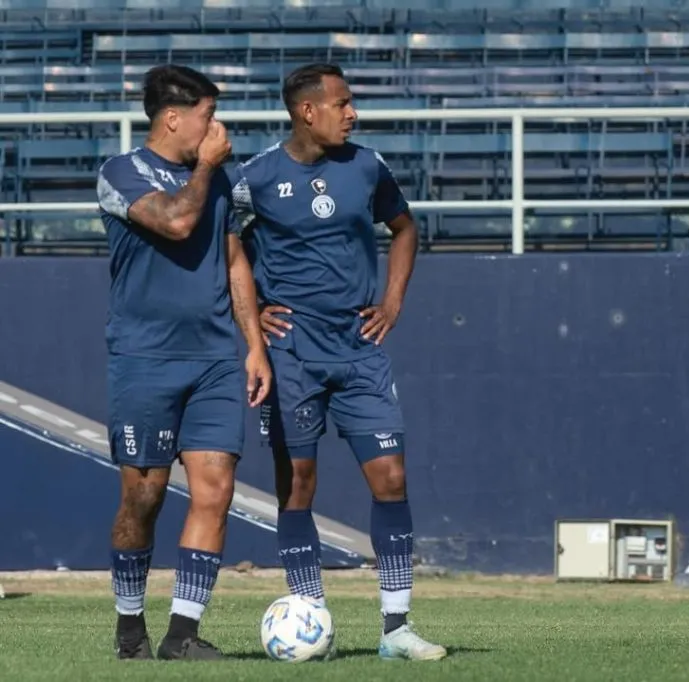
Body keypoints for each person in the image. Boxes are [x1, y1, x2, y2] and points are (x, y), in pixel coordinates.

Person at [228, 63, 446, 661]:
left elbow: (404, 228)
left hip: (358, 348)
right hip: (292, 352)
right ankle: (309, 614)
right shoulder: (255, 179)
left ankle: (397, 628)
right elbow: (226, 251)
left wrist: (392, 301)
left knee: (391, 477)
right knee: (297, 485)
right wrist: (254, 320)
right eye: (343, 103)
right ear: (307, 111)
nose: (353, 113)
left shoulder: (367, 167)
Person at [97, 64, 271, 661]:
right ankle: (129, 630)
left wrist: (254, 345)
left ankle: (182, 634)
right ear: (173, 117)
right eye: (206, 115)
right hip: (145, 357)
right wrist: (205, 168)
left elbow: (232, 258)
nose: (215, 127)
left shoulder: (225, 179)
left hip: (217, 358)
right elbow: (176, 221)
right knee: (144, 497)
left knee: (215, 491)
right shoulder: (120, 172)